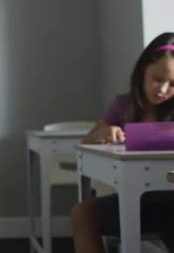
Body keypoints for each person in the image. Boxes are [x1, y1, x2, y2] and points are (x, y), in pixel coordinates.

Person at [72, 32, 174, 252]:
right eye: (158, 79)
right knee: (83, 213)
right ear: (143, 70)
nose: (163, 90)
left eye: (173, 84)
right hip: (134, 201)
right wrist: (104, 132)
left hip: (171, 202)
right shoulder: (123, 105)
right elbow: (87, 140)